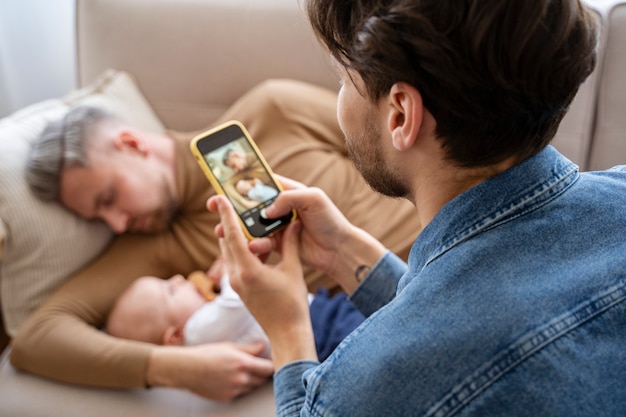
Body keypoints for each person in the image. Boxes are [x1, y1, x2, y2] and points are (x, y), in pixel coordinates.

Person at [209, 0, 626, 415]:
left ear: (401, 114)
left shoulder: (366, 388)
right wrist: (347, 254)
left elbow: (445, 342)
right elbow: (473, 314)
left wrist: (287, 328)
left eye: (342, 81)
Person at [12, 79, 421, 401]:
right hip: (398, 316)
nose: (116, 223)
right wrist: (173, 368)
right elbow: (36, 338)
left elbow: (413, 140)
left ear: (132, 145)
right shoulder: (154, 249)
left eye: (108, 198)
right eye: (98, 218)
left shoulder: (274, 109)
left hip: (457, 245)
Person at [106, 264, 364, 362]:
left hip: (320, 312)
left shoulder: (207, 321)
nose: (177, 278)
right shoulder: (196, 336)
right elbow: (239, 301)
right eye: (170, 291)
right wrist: (231, 267)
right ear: (173, 336)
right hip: (320, 333)